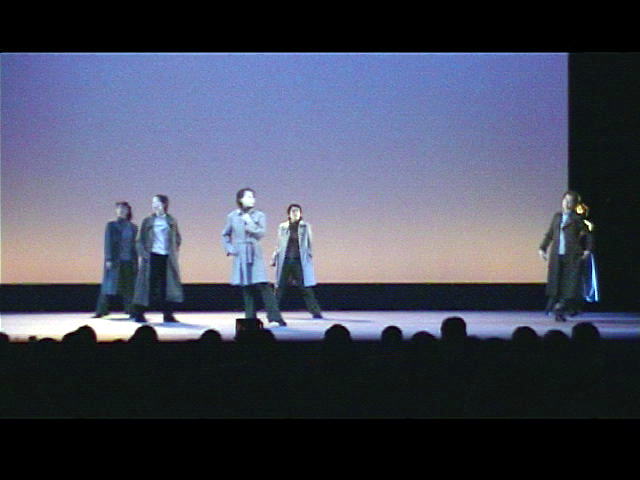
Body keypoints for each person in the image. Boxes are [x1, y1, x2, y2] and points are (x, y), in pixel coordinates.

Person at [222, 188, 286, 326]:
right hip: (241, 253)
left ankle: (275, 318)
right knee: (246, 287)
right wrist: (230, 248)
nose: (252, 199)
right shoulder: (232, 216)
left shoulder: (259, 215)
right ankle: (250, 319)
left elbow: (261, 233)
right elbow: (225, 234)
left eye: (253, 197)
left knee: (263, 285)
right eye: (249, 197)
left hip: (254, 251)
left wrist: (249, 222)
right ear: (241, 199)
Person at [539, 190, 594, 322]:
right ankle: (559, 307)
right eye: (565, 200)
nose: (567, 204)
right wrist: (542, 248)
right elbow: (550, 234)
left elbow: (589, 235)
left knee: (570, 284)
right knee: (556, 282)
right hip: (557, 255)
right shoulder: (557, 217)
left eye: (571, 202)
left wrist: (588, 250)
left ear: (575, 204)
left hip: (572, 256)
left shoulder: (578, 219)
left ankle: (561, 308)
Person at [131, 195, 183, 323]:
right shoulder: (148, 220)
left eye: (157, 203)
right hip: (151, 257)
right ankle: (139, 313)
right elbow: (139, 240)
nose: (155, 205)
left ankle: (168, 314)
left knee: (167, 286)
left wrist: (173, 250)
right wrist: (144, 254)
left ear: (164, 204)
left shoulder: (171, 220)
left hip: (166, 258)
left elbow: (177, 237)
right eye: (153, 203)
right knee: (147, 285)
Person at [271, 204, 323, 319]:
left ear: (301, 213)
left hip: (299, 261)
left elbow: (309, 243)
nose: (295, 213)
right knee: (279, 287)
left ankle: (315, 311)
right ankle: (273, 311)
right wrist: (274, 257)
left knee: (305, 287)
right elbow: (279, 244)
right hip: (285, 260)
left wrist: (309, 256)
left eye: (297, 211)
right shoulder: (283, 226)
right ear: (289, 214)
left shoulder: (305, 227)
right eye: (293, 211)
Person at [93, 201, 138, 318]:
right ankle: (101, 310)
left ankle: (131, 310)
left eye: (124, 209)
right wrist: (108, 258)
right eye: (119, 209)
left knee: (129, 286)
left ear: (128, 211)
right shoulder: (111, 225)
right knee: (109, 285)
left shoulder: (133, 227)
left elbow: (135, 244)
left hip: (129, 260)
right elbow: (108, 242)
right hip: (115, 260)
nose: (121, 211)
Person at [576, 202, 600, 306]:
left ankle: (589, 297)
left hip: (586, 252)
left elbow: (590, 238)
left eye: (582, 211)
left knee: (588, 275)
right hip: (575, 252)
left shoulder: (588, 224)